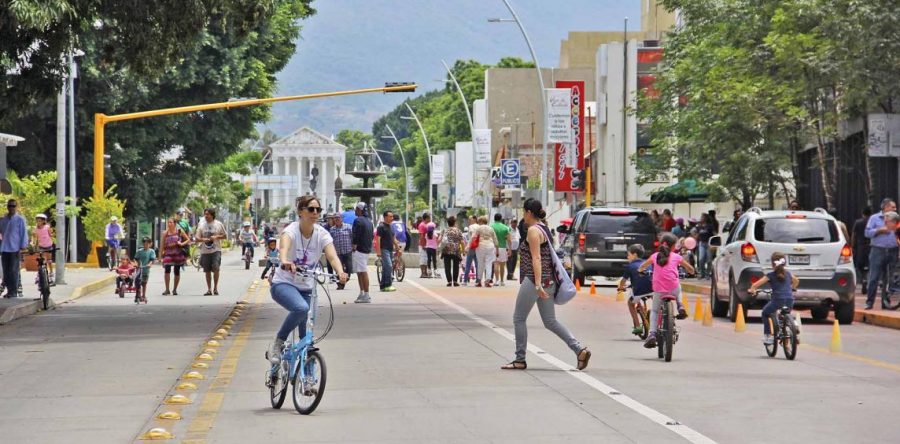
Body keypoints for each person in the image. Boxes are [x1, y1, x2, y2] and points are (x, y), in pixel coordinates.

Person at [502, 198, 591, 371]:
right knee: (550, 321)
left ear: (528, 212)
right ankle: (579, 349)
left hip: (535, 279)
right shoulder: (543, 228)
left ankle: (520, 359)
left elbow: (536, 258)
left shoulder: (533, 231)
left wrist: (536, 284)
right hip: (548, 279)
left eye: (524, 212)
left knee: (518, 318)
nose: (523, 216)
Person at [265, 195, 348, 364]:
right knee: (301, 309)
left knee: (307, 336)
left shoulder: (322, 233)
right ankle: (278, 342)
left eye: (318, 210)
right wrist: (285, 260)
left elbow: (332, 256)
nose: (315, 213)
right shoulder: (291, 230)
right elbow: (284, 247)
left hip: (307, 288)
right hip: (284, 284)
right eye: (311, 209)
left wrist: (340, 272)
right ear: (300, 212)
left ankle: (307, 378)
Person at [639, 232, 694, 348]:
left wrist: (641, 271)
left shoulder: (655, 256)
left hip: (659, 290)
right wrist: (692, 272)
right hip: (673, 288)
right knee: (677, 285)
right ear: (674, 246)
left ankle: (652, 334)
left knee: (654, 311)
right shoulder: (677, 257)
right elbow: (690, 269)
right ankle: (680, 305)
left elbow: (642, 267)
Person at [749, 252, 799, 344]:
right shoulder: (788, 274)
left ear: (772, 264)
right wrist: (793, 288)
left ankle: (768, 336)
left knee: (765, 313)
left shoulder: (771, 275)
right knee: (785, 314)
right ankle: (793, 326)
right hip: (789, 300)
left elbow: (756, 284)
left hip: (778, 300)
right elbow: (796, 280)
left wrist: (752, 290)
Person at [864, 199, 898, 310]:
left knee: (888, 278)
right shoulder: (874, 218)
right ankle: (869, 302)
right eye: (893, 207)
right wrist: (879, 230)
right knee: (874, 277)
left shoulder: (896, 219)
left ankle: (886, 302)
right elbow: (867, 233)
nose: (895, 209)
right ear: (885, 207)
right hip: (878, 251)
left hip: (892, 251)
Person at [618, 244, 653, 336]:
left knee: (631, 303)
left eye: (628, 254)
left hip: (639, 291)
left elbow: (623, 281)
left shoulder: (630, 266)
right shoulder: (648, 263)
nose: (627, 257)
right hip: (653, 289)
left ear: (634, 255)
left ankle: (637, 326)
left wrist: (621, 288)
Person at [0, 199, 28, 298]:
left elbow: (23, 233)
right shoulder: (3, 220)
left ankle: (13, 291)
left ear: (16, 207)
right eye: (10, 206)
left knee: (13, 270)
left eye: (13, 206)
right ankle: (9, 290)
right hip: (4, 248)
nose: (11, 208)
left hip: (15, 248)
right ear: (7, 207)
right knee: (6, 271)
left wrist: (23, 246)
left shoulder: (20, 219)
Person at [196, 208, 227, 295]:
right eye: (205, 214)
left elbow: (225, 236)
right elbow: (197, 238)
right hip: (205, 251)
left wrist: (216, 237)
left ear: (212, 215)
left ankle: (215, 288)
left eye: (208, 214)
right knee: (207, 271)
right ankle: (209, 289)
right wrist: (203, 239)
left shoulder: (218, 224)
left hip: (216, 250)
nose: (206, 216)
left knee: (216, 268)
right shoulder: (201, 225)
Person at [351, 202, 374, 303]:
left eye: (356, 209)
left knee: (362, 272)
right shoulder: (369, 221)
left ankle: (366, 295)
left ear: (360, 210)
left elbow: (355, 235)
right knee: (360, 272)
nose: (355, 211)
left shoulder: (358, 220)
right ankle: (362, 292)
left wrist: (354, 245)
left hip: (359, 249)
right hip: (366, 249)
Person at [161, 218, 189, 295]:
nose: (169, 224)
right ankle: (167, 289)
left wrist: (181, 244)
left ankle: (174, 289)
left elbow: (188, 240)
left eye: (171, 222)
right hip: (168, 254)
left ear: (174, 223)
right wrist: (160, 256)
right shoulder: (165, 233)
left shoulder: (179, 231)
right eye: (168, 222)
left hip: (177, 254)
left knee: (177, 271)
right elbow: (162, 245)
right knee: (167, 270)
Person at [328, 213, 353, 290]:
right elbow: (330, 241)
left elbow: (352, 237)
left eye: (338, 218)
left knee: (349, 269)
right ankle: (339, 284)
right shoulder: (332, 229)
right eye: (335, 218)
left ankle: (345, 280)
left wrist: (354, 246)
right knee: (338, 269)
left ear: (342, 218)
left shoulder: (348, 227)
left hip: (347, 251)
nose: (337, 219)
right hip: (338, 253)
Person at [851, 206, 872, 294]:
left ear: (862, 213)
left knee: (859, 265)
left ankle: (863, 278)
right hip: (871, 246)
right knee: (869, 264)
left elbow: (854, 235)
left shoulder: (858, 222)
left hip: (860, 246)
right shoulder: (872, 222)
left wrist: (852, 246)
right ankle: (866, 279)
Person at [376, 210, 399, 292]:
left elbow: (393, 238)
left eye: (392, 216)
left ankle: (383, 285)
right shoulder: (381, 227)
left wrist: (397, 247)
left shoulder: (391, 226)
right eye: (390, 216)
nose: (392, 218)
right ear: (385, 217)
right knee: (388, 266)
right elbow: (377, 239)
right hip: (384, 249)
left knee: (386, 267)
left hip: (390, 249)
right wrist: (378, 251)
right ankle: (388, 284)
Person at [474, 216, 499, 287]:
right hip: (490, 246)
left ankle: (479, 281)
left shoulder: (479, 228)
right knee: (489, 263)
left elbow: (474, 237)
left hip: (480, 246)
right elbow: (495, 240)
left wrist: (469, 246)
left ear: (481, 221)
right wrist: (497, 250)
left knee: (480, 263)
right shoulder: (491, 228)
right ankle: (488, 280)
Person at [488, 214, 512, 286]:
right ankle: (502, 281)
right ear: (501, 219)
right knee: (502, 265)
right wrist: (510, 249)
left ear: (494, 219)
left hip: (494, 247)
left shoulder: (491, 227)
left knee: (496, 264)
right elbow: (509, 240)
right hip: (503, 247)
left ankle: (497, 280)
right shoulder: (506, 228)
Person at [440, 216, 464, 287]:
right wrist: (464, 250)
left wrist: (438, 247)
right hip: (456, 250)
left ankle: (449, 281)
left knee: (447, 266)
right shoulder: (458, 230)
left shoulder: (445, 230)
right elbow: (462, 241)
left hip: (446, 250)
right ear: (455, 222)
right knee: (456, 266)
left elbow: (439, 239)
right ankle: (455, 281)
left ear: (448, 223)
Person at [32, 213, 55, 281]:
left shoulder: (47, 227)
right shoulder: (35, 229)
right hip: (41, 246)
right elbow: (34, 238)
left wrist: (52, 235)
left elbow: (50, 235)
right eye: (37, 221)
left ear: (43, 221)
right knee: (41, 260)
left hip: (48, 245)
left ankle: (51, 273)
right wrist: (33, 244)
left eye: (40, 221)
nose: (38, 222)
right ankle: (40, 274)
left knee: (49, 260)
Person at [133, 236, 156, 302]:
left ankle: (143, 295)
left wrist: (149, 264)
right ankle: (137, 295)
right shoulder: (139, 251)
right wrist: (136, 264)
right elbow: (136, 259)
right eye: (144, 244)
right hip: (139, 270)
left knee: (144, 283)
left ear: (150, 244)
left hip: (146, 270)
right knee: (138, 283)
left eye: (147, 244)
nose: (145, 245)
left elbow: (152, 260)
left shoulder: (151, 251)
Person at [463, 215, 480, 286]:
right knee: (477, 265)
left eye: (470, 219)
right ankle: (478, 280)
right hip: (478, 247)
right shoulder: (479, 226)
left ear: (475, 219)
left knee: (468, 264)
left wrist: (467, 246)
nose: (469, 221)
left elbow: (472, 237)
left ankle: (465, 280)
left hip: (472, 247)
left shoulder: (471, 227)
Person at [696, 213, 713, 279]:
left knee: (709, 259)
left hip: (708, 243)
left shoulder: (710, 226)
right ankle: (702, 273)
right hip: (701, 243)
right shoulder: (699, 226)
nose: (701, 218)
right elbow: (697, 235)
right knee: (701, 259)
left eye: (702, 217)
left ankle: (707, 274)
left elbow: (713, 234)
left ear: (706, 218)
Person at [417, 213, 431, 278]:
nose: (430, 219)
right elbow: (421, 236)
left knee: (426, 259)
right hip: (423, 245)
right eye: (429, 218)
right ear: (426, 218)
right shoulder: (422, 225)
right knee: (423, 259)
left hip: (427, 244)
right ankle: (423, 273)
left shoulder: (427, 225)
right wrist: (423, 245)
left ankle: (425, 272)